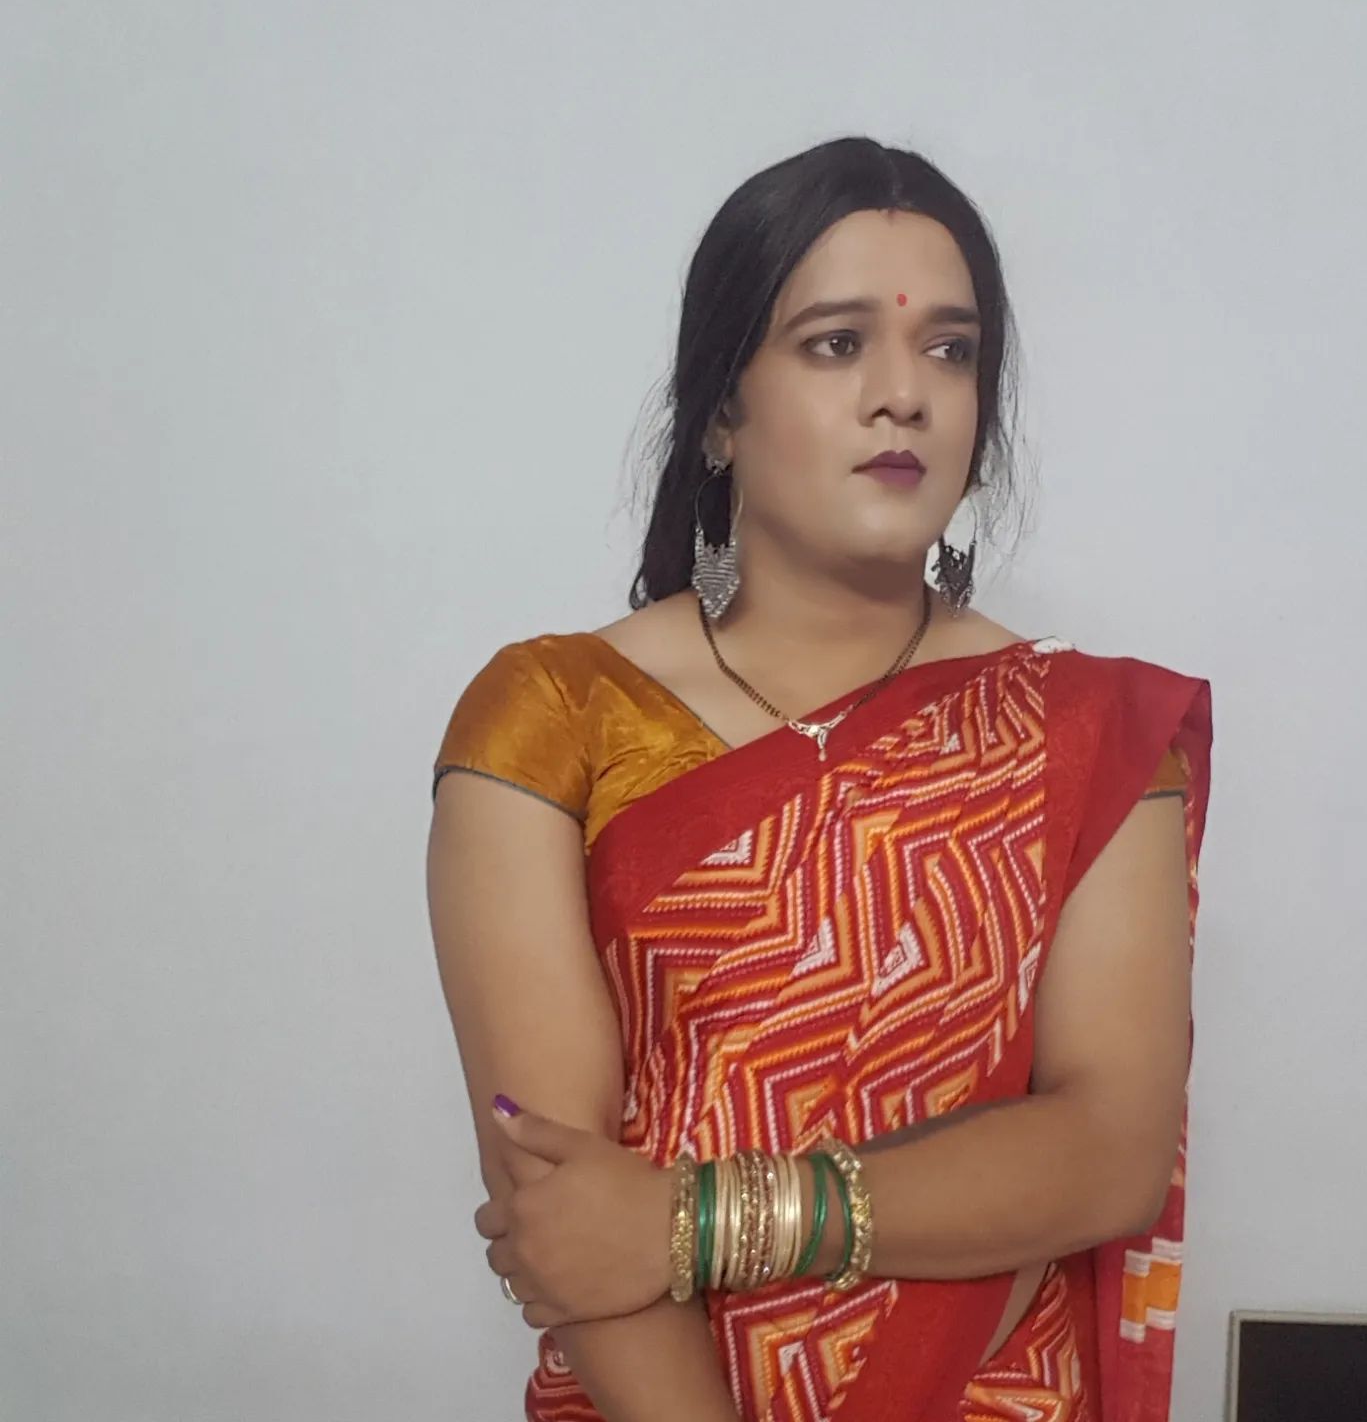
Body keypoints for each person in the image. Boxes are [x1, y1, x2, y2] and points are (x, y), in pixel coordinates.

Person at [426, 135, 1213, 1422]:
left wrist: (693, 1219)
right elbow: (559, 1204)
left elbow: (1107, 1153)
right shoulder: (553, 720)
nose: (904, 395)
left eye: (950, 350)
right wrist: (637, 1236)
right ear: (720, 411)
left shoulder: (1092, 736)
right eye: (837, 343)